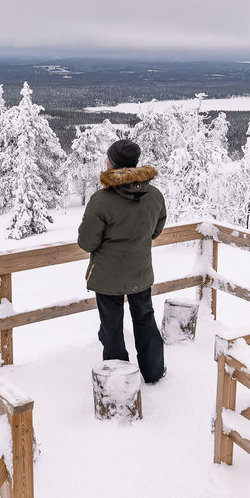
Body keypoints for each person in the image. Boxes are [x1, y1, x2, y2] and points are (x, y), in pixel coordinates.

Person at [77, 139, 167, 383]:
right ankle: (153, 370)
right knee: (145, 319)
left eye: (107, 158)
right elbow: (155, 230)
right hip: (140, 272)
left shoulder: (101, 200)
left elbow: (87, 243)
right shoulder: (154, 195)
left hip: (108, 277)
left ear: (112, 163)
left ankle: (119, 380)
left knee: (112, 327)